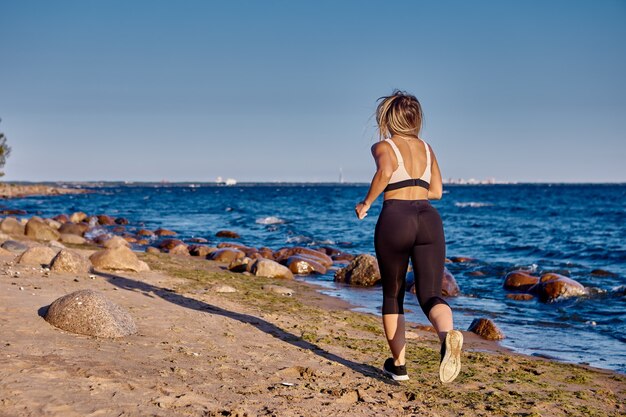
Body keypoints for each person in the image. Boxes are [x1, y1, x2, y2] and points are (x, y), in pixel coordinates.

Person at [355, 90, 462, 383]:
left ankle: (399, 365)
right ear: (417, 120)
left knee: (393, 294)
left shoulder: (383, 146)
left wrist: (366, 203)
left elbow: (386, 171)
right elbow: (437, 192)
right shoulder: (428, 149)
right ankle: (447, 335)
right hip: (429, 219)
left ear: (388, 118)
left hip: (396, 218)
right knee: (430, 294)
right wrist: (414, 188)